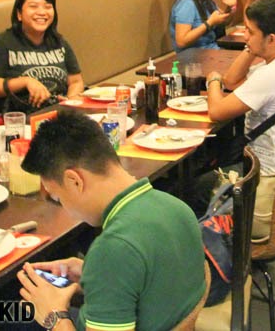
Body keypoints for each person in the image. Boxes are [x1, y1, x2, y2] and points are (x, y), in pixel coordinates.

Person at [16, 110, 206, 331]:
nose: (64, 208)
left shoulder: (113, 249)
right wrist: (94, 275)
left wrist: (54, 317)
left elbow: (121, 258)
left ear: (74, 180)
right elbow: (153, 280)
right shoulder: (177, 208)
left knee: (14, 315)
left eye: (57, 198)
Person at [204, 0, 275, 238]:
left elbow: (216, 110)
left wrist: (212, 80)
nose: (245, 36)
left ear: (272, 39)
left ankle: (214, 253)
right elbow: (232, 81)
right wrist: (252, 46)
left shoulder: (273, 75)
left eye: (250, 31)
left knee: (188, 191)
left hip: (267, 196)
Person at [0, 0, 84, 118]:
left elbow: (76, 81)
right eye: (33, 6)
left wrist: (70, 100)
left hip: (58, 116)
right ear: (19, 14)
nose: (42, 12)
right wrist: (25, 81)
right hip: (17, 119)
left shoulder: (59, 43)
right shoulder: (1, 43)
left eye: (48, 7)